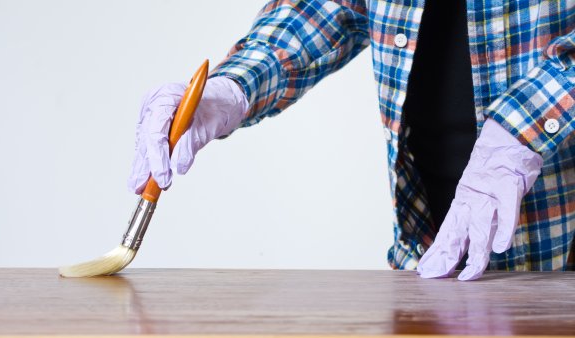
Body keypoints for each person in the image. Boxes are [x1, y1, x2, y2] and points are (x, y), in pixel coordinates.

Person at [128, 0, 574, 281]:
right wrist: (234, 86)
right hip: (430, 257)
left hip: (562, 254)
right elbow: (324, 7)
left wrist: (526, 126)